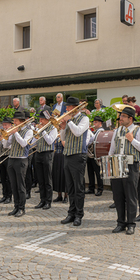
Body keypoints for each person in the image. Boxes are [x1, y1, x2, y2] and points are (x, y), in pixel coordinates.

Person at [108, 107, 140, 235]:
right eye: (121, 116)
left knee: (131, 195)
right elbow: (112, 148)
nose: (120, 119)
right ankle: (120, 222)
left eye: (123, 117)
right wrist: (109, 162)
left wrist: (132, 140)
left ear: (130, 119)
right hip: (117, 164)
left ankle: (131, 223)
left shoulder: (139, 131)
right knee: (118, 196)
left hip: (131, 165)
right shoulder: (117, 130)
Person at [59, 97, 89, 227]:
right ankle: (71, 213)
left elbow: (77, 132)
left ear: (75, 107)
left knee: (78, 187)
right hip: (68, 154)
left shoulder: (84, 119)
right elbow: (64, 137)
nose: (66, 109)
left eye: (68, 106)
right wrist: (62, 127)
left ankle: (79, 215)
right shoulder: (69, 120)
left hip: (78, 155)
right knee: (70, 187)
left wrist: (69, 121)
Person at [7, 111, 33, 217]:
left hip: (21, 159)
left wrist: (15, 132)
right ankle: (16, 206)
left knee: (20, 186)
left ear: (21, 122)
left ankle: (22, 208)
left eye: (15, 121)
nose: (14, 123)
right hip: (11, 158)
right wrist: (5, 137)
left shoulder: (29, 131)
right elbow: (7, 144)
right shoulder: (14, 131)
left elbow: (23, 143)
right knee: (13, 185)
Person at [34, 111, 58, 210]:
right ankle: (42, 200)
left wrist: (42, 130)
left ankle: (48, 201)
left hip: (48, 153)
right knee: (40, 179)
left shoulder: (53, 128)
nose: (40, 121)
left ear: (47, 120)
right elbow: (34, 142)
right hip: (38, 153)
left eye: (42, 119)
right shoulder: (39, 128)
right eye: (40, 119)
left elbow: (49, 141)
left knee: (47, 179)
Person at [85, 116, 104, 196]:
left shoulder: (101, 131)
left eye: (95, 122)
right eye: (93, 122)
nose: (94, 124)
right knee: (90, 172)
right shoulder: (96, 131)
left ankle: (100, 189)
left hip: (96, 154)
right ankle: (91, 188)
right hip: (91, 154)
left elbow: (92, 139)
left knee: (98, 173)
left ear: (100, 123)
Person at [0, 117, 12, 204]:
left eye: (6, 125)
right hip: (1, 155)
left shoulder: (11, 133)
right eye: (3, 125)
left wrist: (2, 138)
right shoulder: (3, 132)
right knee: (2, 178)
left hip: (8, 156)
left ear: (10, 125)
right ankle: (4, 195)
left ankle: (9, 196)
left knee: (8, 178)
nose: (4, 126)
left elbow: (8, 146)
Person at [52, 136, 67, 203]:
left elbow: (65, 145)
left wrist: (62, 138)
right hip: (56, 156)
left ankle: (66, 196)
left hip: (63, 156)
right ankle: (59, 195)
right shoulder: (57, 137)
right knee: (57, 175)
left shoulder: (66, 136)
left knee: (64, 175)